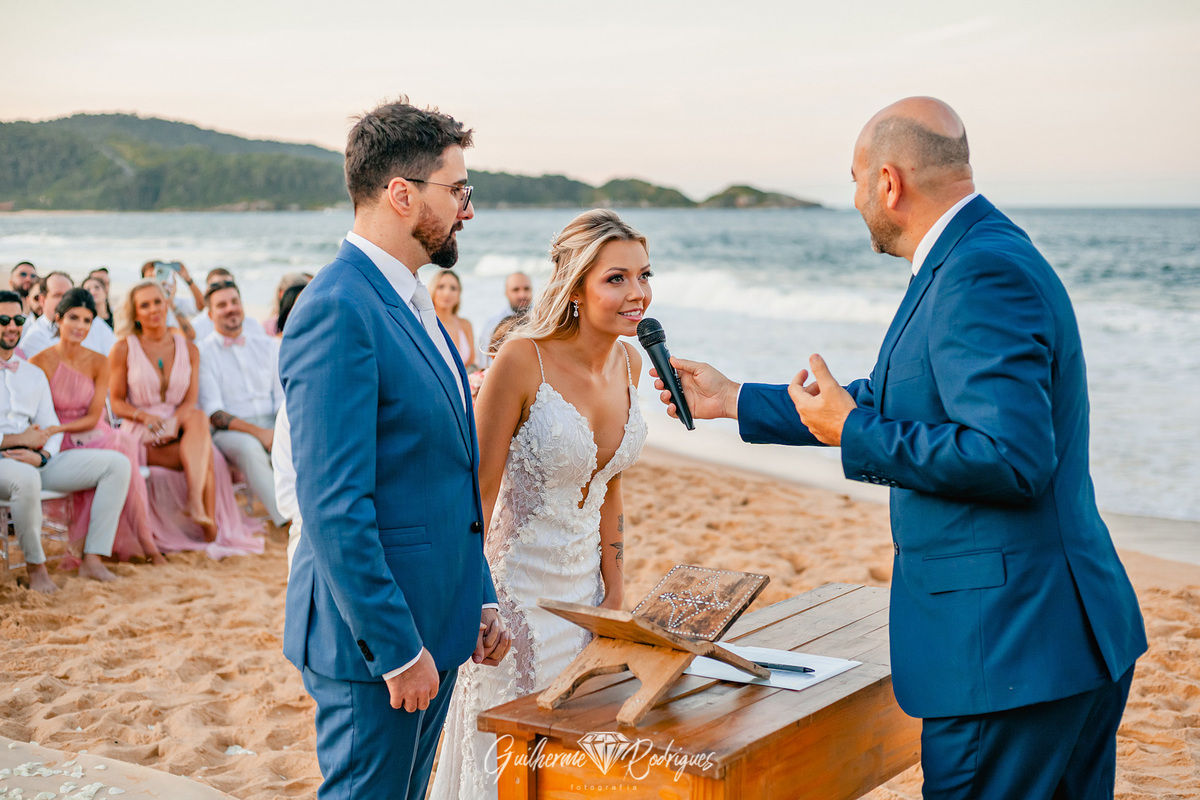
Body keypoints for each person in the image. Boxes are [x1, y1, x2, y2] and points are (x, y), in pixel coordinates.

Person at [655, 97, 1147, 799]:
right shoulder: (979, 252)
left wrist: (853, 434)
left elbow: (1012, 459)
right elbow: (901, 397)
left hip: (1006, 651)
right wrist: (734, 399)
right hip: (1052, 642)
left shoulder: (977, 272)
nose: (856, 199)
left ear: (889, 182)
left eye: (855, 181)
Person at [280, 98, 509, 800]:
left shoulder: (412, 299)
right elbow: (333, 505)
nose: (468, 209)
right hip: (375, 646)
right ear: (402, 194)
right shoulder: (337, 308)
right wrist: (398, 650)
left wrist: (478, 596)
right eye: (458, 190)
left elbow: (441, 470)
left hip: (436, 622)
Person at [431, 209, 650, 800]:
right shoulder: (521, 359)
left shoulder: (631, 363)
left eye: (644, 275)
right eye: (617, 278)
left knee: (568, 770)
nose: (638, 293)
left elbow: (610, 484)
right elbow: (476, 496)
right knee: (507, 770)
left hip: (586, 600)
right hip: (514, 600)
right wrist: (474, 602)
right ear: (575, 287)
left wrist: (615, 594)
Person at [109, 280, 262, 558]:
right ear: (135, 313)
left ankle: (198, 509)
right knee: (207, 456)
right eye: (145, 305)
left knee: (198, 420)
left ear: (167, 303)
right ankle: (207, 526)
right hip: (141, 428)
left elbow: (190, 400)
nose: (154, 309)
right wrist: (145, 416)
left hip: (180, 425)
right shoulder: (123, 348)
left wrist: (174, 424)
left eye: (158, 301)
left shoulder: (189, 348)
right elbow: (117, 402)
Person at [0, 290, 131, 593]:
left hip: (36, 460)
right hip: (6, 463)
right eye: (3, 319)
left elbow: (51, 425)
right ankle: (37, 570)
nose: (12, 326)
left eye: (18, 319)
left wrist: (43, 455)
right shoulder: (41, 362)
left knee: (117, 465)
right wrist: (16, 440)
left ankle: (93, 559)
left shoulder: (32, 373)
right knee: (26, 479)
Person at [31, 288, 165, 566]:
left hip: (91, 431)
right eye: (73, 318)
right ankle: (111, 548)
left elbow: (94, 417)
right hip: (56, 441)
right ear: (58, 318)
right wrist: (54, 432)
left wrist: (58, 429)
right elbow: (36, 415)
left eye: (87, 320)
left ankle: (142, 541)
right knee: (118, 451)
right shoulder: (39, 362)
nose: (80, 326)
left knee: (123, 443)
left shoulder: (99, 362)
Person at [197, 279, 287, 527]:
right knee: (249, 448)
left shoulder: (268, 346)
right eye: (222, 305)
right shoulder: (203, 352)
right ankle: (286, 520)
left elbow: (282, 398)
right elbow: (215, 413)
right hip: (230, 431)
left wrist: (280, 431)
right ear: (210, 314)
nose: (230, 309)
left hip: (273, 422)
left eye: (234, 302)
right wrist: (261, 434)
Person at [20, 272, 117, 358]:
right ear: (42, 300)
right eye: (57, 295)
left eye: (69, 295)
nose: (65, 300)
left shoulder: (95, 323)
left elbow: (115, 356)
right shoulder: (34, 338)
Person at [190, 268, 268, 342]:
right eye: (216, 287)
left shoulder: (253, 325)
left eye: (229, 285)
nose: (224, 289)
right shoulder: (196, 327)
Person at [477, 271, 532, 367]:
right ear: (506, 293)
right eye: (516, 290)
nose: (522, 295)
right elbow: (485, 361)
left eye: (526, 289)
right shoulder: (492, 323)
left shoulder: (543, 319)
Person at [429, 269, 476, 370]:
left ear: (459, 294)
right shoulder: (424, 324)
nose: (447, 293)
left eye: (453, 288)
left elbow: (471, 364)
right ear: (432, 290)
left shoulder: (465, 325)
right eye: (441, 287)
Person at [139, 261, 198, 340]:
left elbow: (190, 336)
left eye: (159, 274)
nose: (157, 282)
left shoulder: (176, 302)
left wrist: (188, 280)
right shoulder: (140, 307)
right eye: (151, 278)